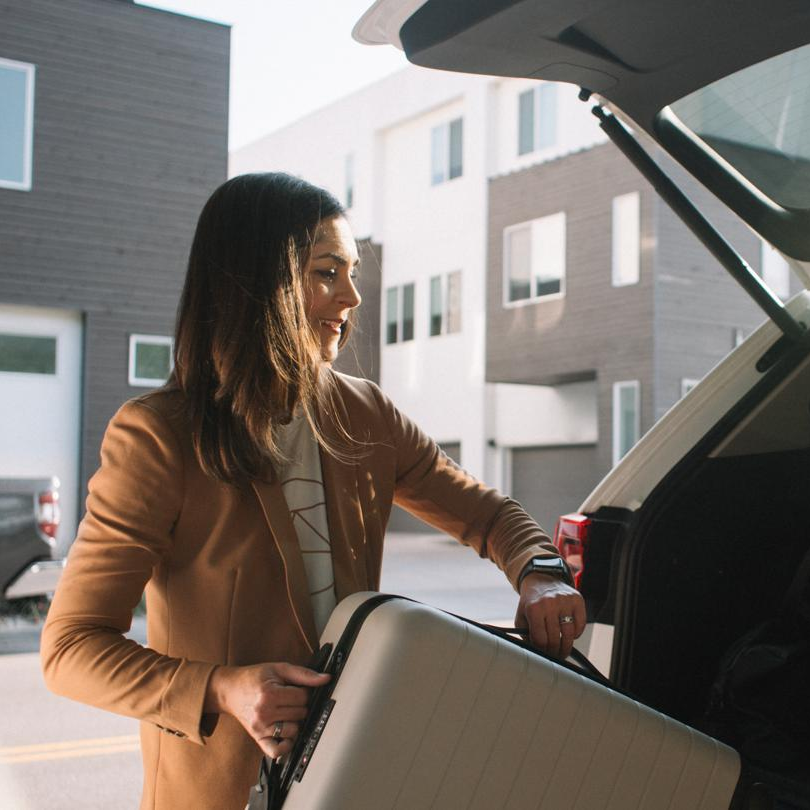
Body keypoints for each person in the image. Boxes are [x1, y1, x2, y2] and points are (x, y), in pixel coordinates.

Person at [41, 173, 586, 810]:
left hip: (354, 771)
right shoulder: (158, 437)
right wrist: (224, 688)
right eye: (328, 272)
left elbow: (487, 513)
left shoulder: (366, 413)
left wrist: (538, 569)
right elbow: (70, 648)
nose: (352, 296)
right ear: (256, 282)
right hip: (221, 792)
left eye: (352, 272)